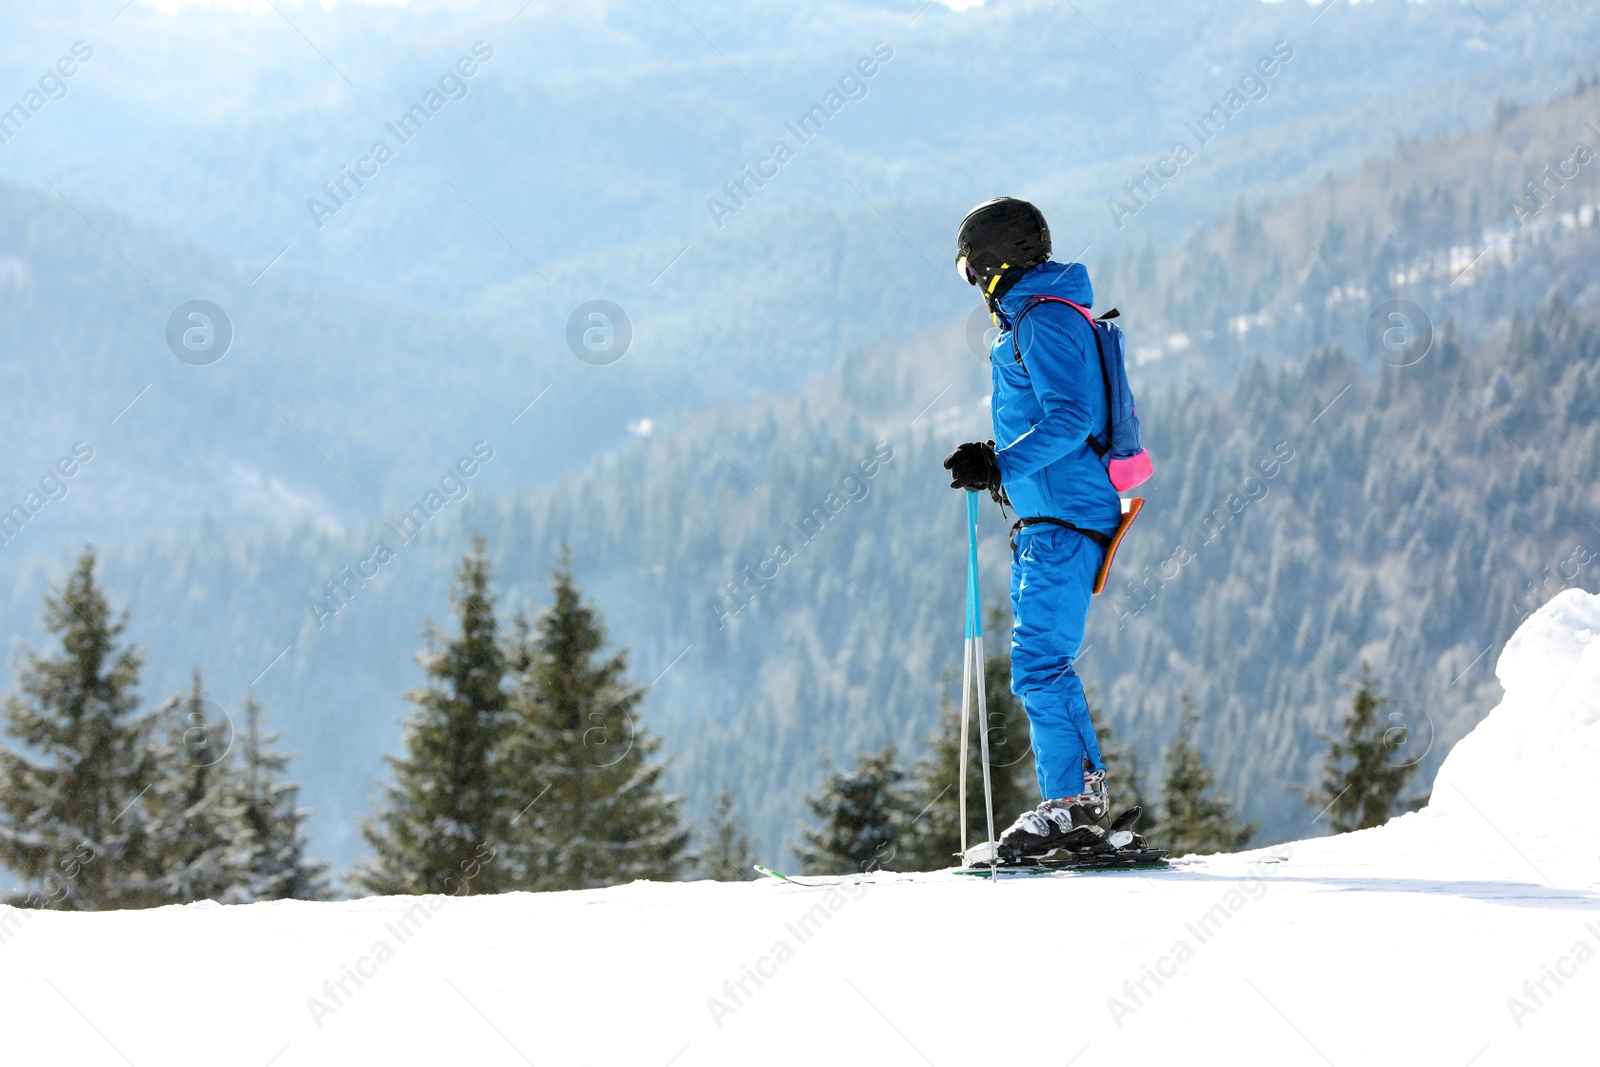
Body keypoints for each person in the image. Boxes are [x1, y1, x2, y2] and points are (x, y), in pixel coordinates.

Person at [943, 196, 1120, 858]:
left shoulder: (1044, 322)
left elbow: (1070, 417)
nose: (972, 287)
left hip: (1064, 515)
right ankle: (1081, 802)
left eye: (970, 271)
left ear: (993, 265)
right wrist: (997, 468)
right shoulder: (1041, 318)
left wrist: (1001, 462)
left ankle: (1071, 806)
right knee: (1044, 662)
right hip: (1056, 513)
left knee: (1040, 664)